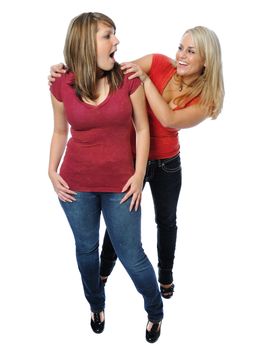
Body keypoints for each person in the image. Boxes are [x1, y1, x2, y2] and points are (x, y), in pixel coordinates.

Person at [49, 25, 224, 300]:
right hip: (130, 160)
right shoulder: (156, 62)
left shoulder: (207, 99)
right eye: (180, 47)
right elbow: (111, 73)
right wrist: (69, 69)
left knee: (166, 221)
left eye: (191, 51)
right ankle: (103, 271)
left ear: (206, 61)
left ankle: (165, 275)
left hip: (166, 164)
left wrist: (145, 80)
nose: (181, 55)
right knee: (119, 226)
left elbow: (168, 119)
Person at [48, 12, 163, 343]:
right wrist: (50, 171)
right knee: (86, 251)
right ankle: (96, 306)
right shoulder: (61, 84)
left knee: (132, 256)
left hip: (121, 186)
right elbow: (59, 132)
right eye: (108, 36)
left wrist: (139, 174)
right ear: (86, 43)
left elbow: (143, 129)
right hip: (75, 185)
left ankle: (155, 311)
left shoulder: (128, 78)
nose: (117, 41)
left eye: (115, 35)